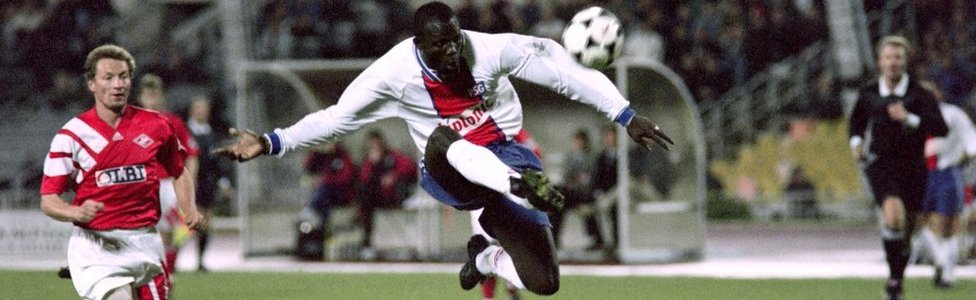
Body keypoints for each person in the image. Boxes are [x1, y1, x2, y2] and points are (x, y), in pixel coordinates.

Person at [213, 1, 672, 295]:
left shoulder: (490, 49)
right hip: (445, 167)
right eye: (440, 45)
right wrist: (274, 141)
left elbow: (562, 69)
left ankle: (486, 255)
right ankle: (514, 186)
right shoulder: (391, 75)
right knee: (444, 138)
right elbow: (336, 118)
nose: (452, 51)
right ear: (418, 44)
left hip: (505, 153)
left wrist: (624, 113)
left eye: (455, 40)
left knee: (545, 283)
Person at [39, 44, 206, 300]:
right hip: (98, 246)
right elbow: (49, 199)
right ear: (91, 83)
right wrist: (75, 211)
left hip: (145, 243)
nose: (118, 84)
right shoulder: (70, 136)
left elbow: (179, 170)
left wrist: (189, 209)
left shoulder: (157, 125)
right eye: (108, 77)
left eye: (124, 77)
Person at [848, 35, 948, 300]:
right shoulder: (869, 93)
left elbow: (941, 128)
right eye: (889, 57)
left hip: (914, 167)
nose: (893, 62)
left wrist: (911, 119)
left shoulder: (919, 94)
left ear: (905, 62)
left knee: (906, 233)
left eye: (898, 57)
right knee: (893, 215)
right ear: (880, 62)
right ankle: (894, 282)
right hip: (881, 164)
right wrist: (856, 143)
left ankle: (896, 281)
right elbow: (856, 122)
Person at [137, 74, 200, 278]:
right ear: (141, 97)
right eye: (148, 95)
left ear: (162, 97)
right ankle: (151, 275)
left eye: (155, 95)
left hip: (166, 185)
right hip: (138, 185)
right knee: (140, 234)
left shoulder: (172, 122)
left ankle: (167, 274)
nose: (152, 100)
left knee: (169, 233)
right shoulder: (131, 122)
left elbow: (191, 155)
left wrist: (190, 186)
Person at [916, 80, 976, 288]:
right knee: (916, 220)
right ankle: (942, 260)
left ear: (938, 94)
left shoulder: (952, 114)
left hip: (946, 172)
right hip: (920, 174)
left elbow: (969, 136)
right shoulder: (913, 117)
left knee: (946, 223)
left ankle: (947, 272)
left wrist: (971, 151)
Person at [356, 130, 418, 256]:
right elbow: (364, 179)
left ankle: (359, 224)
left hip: (395, 194)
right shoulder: (368, 162)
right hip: (376, 197)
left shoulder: (393, 156)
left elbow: (410, 166)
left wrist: (394, 176)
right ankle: (366, 242)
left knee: (365, 200)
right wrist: (373, 163)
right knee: (364, 198)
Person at [185, 95, 229, 272]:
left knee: (205, 224)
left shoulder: (211, 133)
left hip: (207, 185)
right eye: (198, 108)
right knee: (184, 225)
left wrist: (223, 182)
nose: (201, 112)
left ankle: (200, 260)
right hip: (188, 184)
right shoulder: (185, 132)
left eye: (204, 108)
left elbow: (217, 162)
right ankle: (171, 259)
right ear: (192, 111)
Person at [549, 129, 605, 250]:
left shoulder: (591, 158)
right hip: (571, 193)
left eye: (580, 141)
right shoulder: (569, 157)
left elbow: (588, 178)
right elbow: (567, 176)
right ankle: (553, 239)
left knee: (584, 206)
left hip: (584, 193)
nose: (578, 144)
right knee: (558, 205)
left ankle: (597, 240)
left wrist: (576, 179)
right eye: (576, 141)